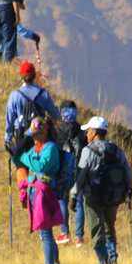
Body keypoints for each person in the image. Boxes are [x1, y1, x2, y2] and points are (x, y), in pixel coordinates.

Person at [75, 116, 132, 264]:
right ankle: (113, 263)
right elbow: (127, 171)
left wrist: (74, 195)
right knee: (109, 230)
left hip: (93, 198)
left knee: (96, 235)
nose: (86, 134)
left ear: (94, 132)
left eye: (88, 131)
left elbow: (81, 175)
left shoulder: (88, 151)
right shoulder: (116, 150)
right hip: (113, 197)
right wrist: (129, 190)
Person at [18, 117, 65, 264]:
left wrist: (25, 157)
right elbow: (26, 159)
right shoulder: (38, 148)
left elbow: (39, 166)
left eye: (35, 134)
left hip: (44, 194)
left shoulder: (50, 148)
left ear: (43, 133)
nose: (32, 137)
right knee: (47, 233)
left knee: (45, 234)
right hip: (38, 193)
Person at [4, 61, 58, 167]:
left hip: (22, 136)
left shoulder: (15, 95)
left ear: (21, 76)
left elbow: (9, 120)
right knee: (39, 166)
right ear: (34, 75)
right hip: (40, 135)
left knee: (22, 166)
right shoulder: (43, 94)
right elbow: (55, 115)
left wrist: (8, 139)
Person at [56, 101, 86, 247]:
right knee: (79, 202)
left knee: (62, 200)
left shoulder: (58, 131)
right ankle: (79, 237)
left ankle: (64, 233)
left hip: (62, 170)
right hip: (79, 170)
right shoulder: (82, 132)